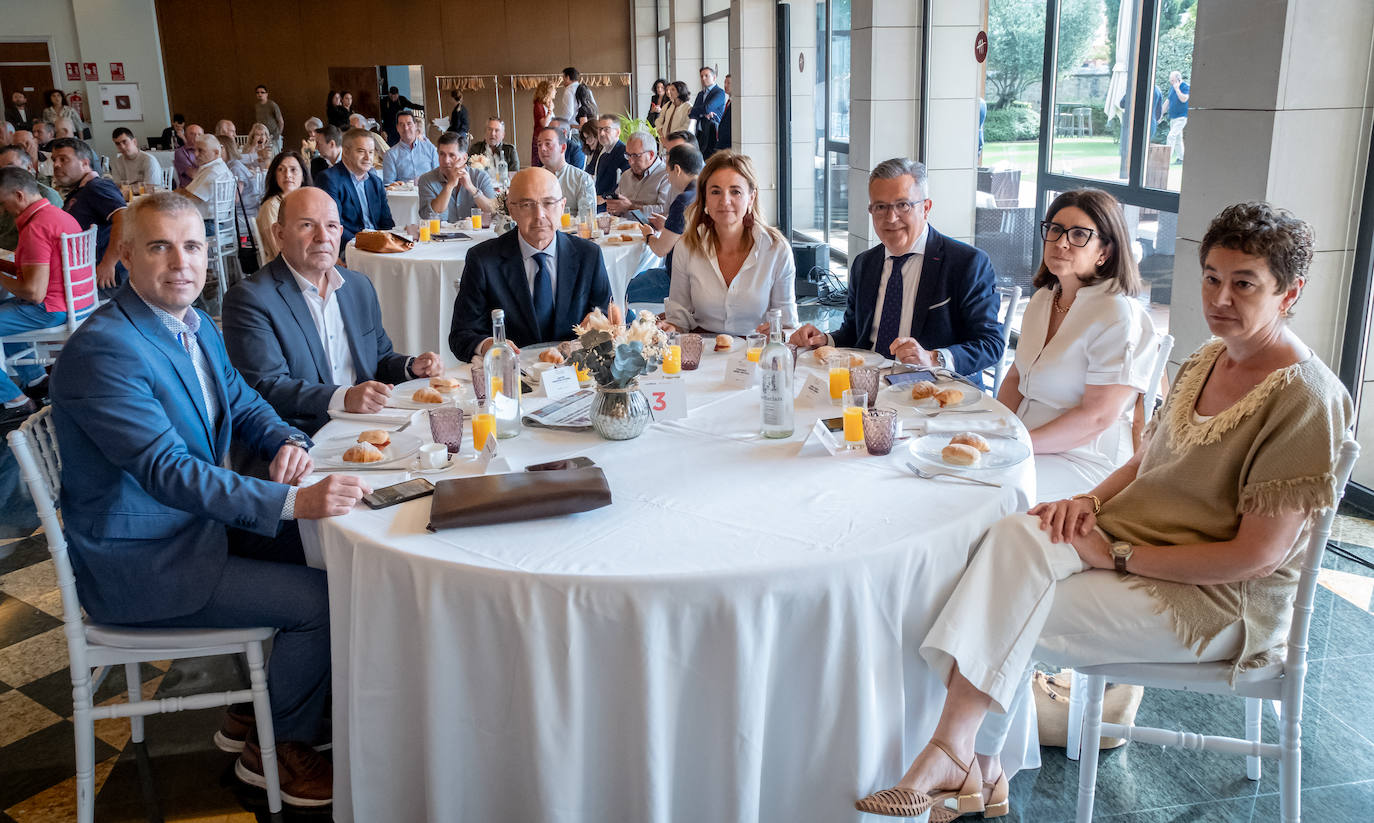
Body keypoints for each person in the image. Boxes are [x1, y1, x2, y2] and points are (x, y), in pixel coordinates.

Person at [853, 202, 1351, 822]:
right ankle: (967, 760)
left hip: (1217, 603)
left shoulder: (1306, 399)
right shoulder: (1208, 359)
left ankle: (962, 759)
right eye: (1212, 277)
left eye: (1244, 283)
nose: (1220, 297)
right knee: (1011, 538)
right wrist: (1087, 503)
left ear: (1291, 291)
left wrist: (1114, 554)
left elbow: (1257, 556)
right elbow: (1148, 464)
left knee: (989, 602)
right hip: (1136, 536)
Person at [50, 191, 368, 807]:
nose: (181, 263)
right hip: (144, 561)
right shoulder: (108, 349)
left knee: (328, 550)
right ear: (126, 255)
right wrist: (290, 502)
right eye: (160, 246)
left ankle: (261, 708)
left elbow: (244, 401)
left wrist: (285, 439)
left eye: (192, 246)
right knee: (323, 598)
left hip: (191, 529)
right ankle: (274, 749)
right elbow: (167, 471)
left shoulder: (190, 323)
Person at [224, 186, 443, 435]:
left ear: (340, 233)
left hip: (368, 429)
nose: (322, 237)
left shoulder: (358, 287)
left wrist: (411, 366)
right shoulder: (251, 299)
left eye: (330, 226)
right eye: (307, 225)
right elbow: (267, 387)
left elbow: (379, 359)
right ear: (279, 234)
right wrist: (345, 397)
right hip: (300, 439)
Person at [998, 189, 1157, 503]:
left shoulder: (1115, 313)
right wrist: (993, 432)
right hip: (1026, 445)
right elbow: (1017, 378)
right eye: (1055, 229)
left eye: (1079, 234)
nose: (1061, 242)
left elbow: (1098, 417)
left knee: (994, 496)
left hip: (1084, 459)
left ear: (1105, 252)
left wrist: (1016, 444)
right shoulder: (1044, 299)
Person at [790, 158, 1004, 377]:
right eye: (881, 207)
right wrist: (825, 340)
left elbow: (991, 344)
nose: (891, 218)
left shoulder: (965, 263)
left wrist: (934, 358)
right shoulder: (864, 264)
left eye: (903, 205)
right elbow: (855, 332)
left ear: (926, 208)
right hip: (867, 386)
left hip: (932, 391)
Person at [448, 167, 611, 361]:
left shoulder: (588, 255)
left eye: (549, 203)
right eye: (527, 205)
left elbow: (609, 321)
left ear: (562, 206)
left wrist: (595, 330)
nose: (539, 214)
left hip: (574, 373)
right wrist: (488, 345)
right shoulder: (483, 259)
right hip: (512, 374)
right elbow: (462, 334)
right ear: (511, 209)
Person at [663, 151, 797, 335]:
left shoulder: (776, 249)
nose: (725, 201)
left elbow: (788, 325)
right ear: (705, 199)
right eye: (715, 191)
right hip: (703, 353)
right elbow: (679, 318)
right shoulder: (686, 247)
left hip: (755, 354)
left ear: (751, 198)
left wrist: (778, 333)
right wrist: (671, 328)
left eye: (735, 191)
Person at [0, 167, 84, 426]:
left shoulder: (36, 227)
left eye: (3, 202)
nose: (3, 209)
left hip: (49, 308)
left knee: (10, 304)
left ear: (19, 195)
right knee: (7, 307)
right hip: (75, 302)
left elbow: (34, 292)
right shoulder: (58, 216)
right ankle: (37, 380)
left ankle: (15, 400)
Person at [625, 143, 704, 303]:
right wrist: (668, 225)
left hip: (676, 279)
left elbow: (661, 249)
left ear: (677, 170)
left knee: (618, 292)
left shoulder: (683, 200)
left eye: (668, 173)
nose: (668, 178)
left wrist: (649, 235)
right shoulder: (704, 193)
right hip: (697, 275)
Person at [51, 138, 128, 290]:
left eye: (63, 159)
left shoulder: (97, 186)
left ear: (85, 163)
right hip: (82, 275)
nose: (56, 165)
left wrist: (108, 264)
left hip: (106, 280)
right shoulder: (81, 190)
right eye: (54, 160)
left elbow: (126, 219)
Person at [315, 127, 394, 250]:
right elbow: (333, 225)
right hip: (350, 248)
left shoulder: (375, 182)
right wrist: (366, 244)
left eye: (371, 152)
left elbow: (386, 222)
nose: (368, 158)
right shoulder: (330, 179)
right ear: (346, 152)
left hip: (378, 246)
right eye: (361, 151)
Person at [418, 131, 496, 223]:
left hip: (477, 234)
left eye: (452, 155)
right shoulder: (426, 180)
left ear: (464, 158)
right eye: (442, 154)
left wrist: (471, 188)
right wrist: (450, 185)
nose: (446, 160)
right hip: (442, 235)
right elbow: (429, 216)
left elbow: (492, 211)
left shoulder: (480, 177)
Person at [0, 145, 63, 252]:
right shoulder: (3, 193)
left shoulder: (46, 196)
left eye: (10, 167)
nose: (4, 175)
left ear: (29, 168)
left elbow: (39, 242)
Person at [255, 151, 310, 262]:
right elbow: (278, 250)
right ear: (275, 176)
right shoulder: (271, 207)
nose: (287, 175)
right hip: (287, 267)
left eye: (293, 170)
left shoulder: (306, 202)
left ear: (303, 176)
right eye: (281, 170)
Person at [534, 125, 594, 221]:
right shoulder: (533, 179)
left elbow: (587, 220)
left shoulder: (582, 179)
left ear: (563, 148)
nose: (543, 149)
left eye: (548, 144)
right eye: (539, 145)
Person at [605, 132, 672, 217]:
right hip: (622, 227)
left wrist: (630, 207)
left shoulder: (666, 175)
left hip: (650, 229)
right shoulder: (625, 176)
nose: (630, 161)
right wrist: (614, 207)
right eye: (628, 155)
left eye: (635, 155)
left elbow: (665, 211)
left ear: (651, 155)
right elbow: (618, 208)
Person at [174, 133, 235, 224]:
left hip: (208, 224)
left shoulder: (214, 171)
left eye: (200, 150)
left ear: (216, 153)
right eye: (195, 150)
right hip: (208, 221)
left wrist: (169, 194)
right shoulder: (212, 168)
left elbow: (193, 195)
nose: (195, 154)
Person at [381, 110, 438, 185]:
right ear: (397, 128)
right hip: (405, 194)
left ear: (415, 126)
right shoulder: (390, 155)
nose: (406, 128)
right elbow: (389, 184)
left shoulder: (430, 148)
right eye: (402, 124)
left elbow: (438, 176)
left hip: (430, 193)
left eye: (409, 124)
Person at [588, 114, 629, 205]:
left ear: (617, 132)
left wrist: (603, 197)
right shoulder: (603, 154)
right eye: (600, 129)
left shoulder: (625, 153)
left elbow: (625, 184)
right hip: (598, 202)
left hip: (613, 204)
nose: (601, 133)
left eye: (606, 129)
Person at [690, 67, 727, 154]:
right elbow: (692, 113)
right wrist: (701, 112)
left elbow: (708, 108)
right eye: (701, 76)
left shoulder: (719, 92)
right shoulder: (700, 94)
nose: (703, 78)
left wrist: (697, 111)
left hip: (711, 131)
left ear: (714, 78)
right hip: (698, 131)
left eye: (706, 76)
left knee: (709, 159)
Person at [1166, 71, 1190, 164]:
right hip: (1173, 117)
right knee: (1178, 139)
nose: (1171, 82)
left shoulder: (1185, 87)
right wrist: (1160, 114)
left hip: (1182, 117)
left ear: (1178, 79)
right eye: (1170, 80)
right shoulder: (1172, 88)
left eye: (1172, 80)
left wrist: (1177, 89)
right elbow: (1167, 102)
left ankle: (1166, 159)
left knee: (1171, 136)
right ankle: (1181, 159)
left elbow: (1184, 99)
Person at [530, 80, 555, 167]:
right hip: (540, 138)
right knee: (539, 163)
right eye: (554, 90)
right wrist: (550, 110)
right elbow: (544, 123)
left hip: (547, 136)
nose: (555, 91)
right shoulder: (538, 105)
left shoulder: (546, 104)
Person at [253, 84, 285, 152]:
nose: (260, 94)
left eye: (262, 92)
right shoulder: (257, 106)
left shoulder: (272, 105)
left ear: (266, 94)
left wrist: (278, 134)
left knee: (276, 153)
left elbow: (281, 121)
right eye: (257, 92)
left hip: (274, 135)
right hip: (262, 135)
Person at [716, 74, 733, 153]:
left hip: (728, 145)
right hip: (722, 144)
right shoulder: (728, 102)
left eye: (728, 83)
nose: (725, 85)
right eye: (725, 82)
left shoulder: (736, 104)